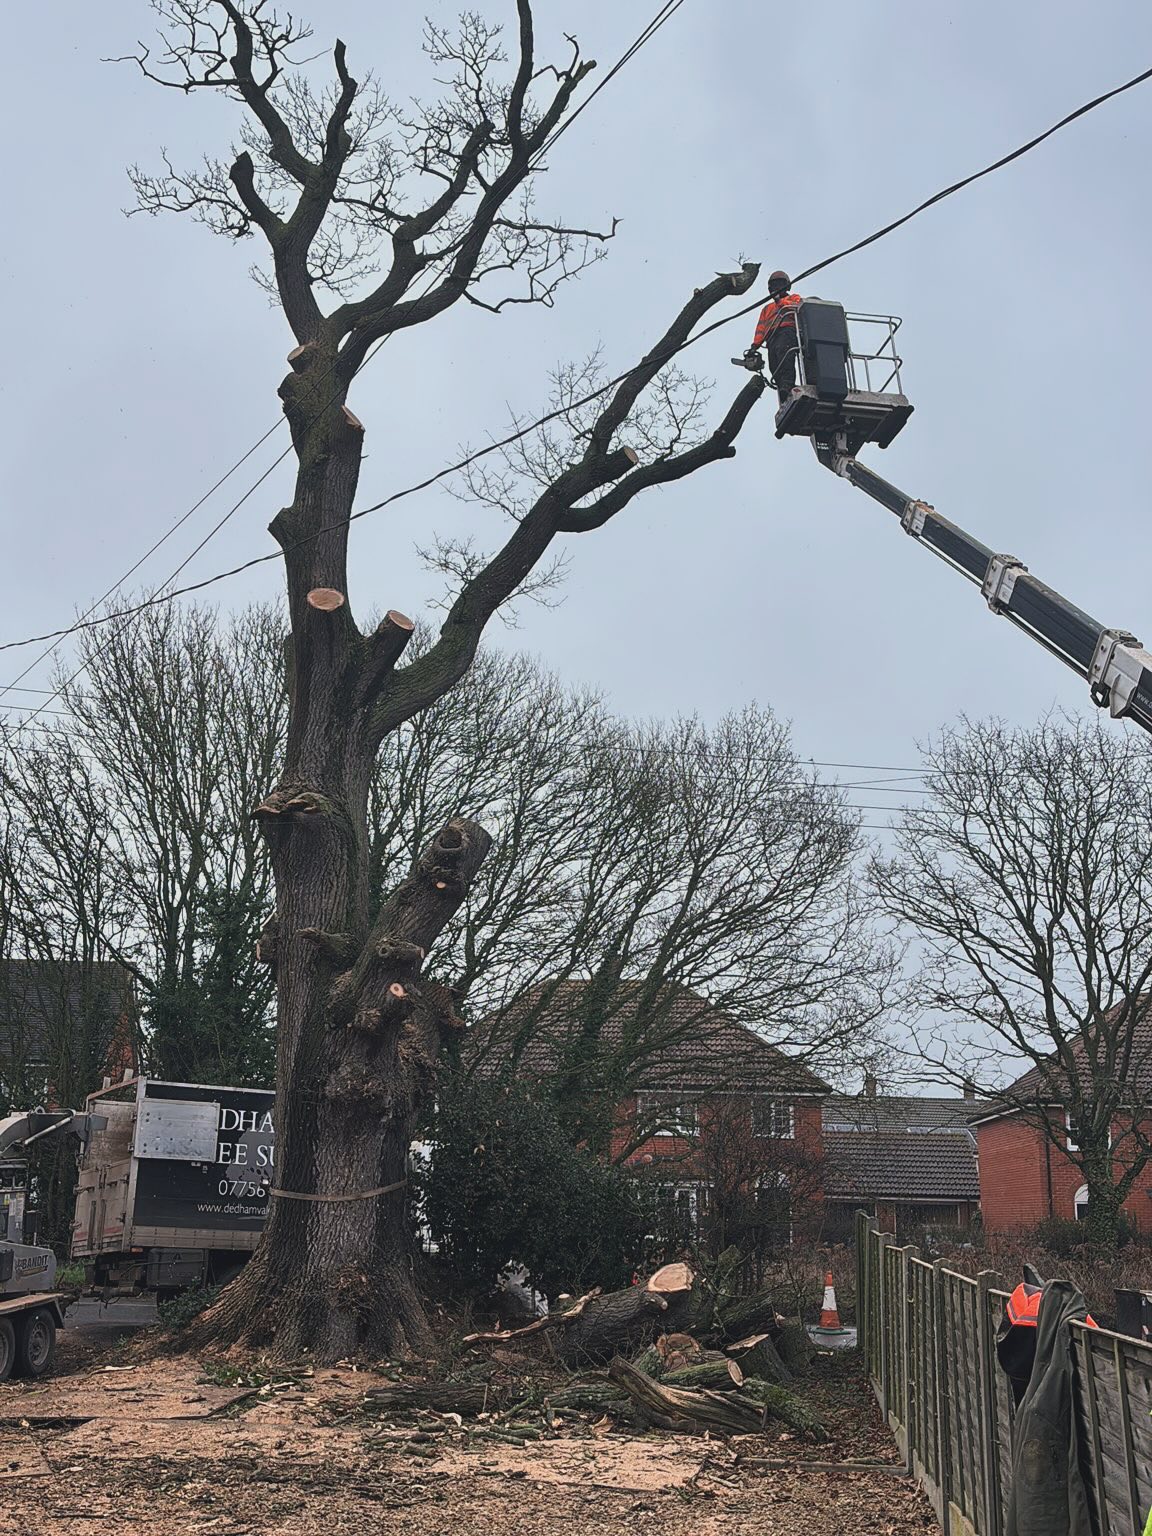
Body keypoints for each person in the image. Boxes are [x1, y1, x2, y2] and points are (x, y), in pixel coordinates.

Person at [745, 270, 802, 402]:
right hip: (771, 338)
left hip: (787, 331)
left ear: (786, 286)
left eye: (779, 285)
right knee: (774, 365)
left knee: (785, 357)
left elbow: (796, 307)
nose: (777, 288)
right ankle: (782, 387)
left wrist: (780, 302)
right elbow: (761, 329)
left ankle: (787, 386)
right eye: (774, 286)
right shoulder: (766, 308)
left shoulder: (793, 298)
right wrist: (755, 346)